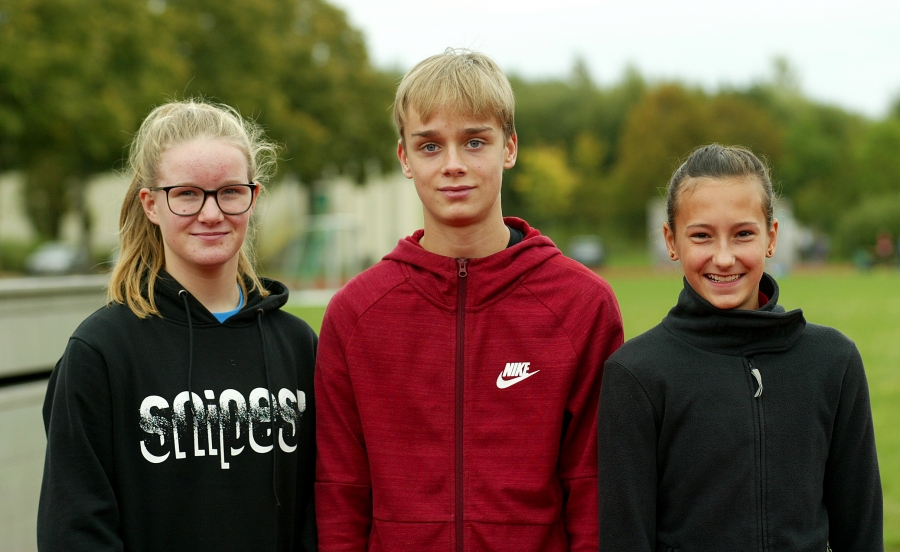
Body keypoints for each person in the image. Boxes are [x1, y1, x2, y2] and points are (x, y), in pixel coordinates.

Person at [314, 48, 623, 551]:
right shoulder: (356, 313)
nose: (453, 165)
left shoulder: (581, 305)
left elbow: (592, 490)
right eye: (430, 146)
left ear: (510, 147)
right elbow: (341, 495)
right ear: (404, 159)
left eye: (475, 141)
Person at [38, 100, 317, 551]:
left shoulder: (298, 346)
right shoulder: (101, 352)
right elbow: (75, 528)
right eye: (186, 194)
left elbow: (320, 514)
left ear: (253, 197)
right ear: (151, 204)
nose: (211, 214)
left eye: (229, 192)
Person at [597, 144, 883, 551]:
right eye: (701, 236)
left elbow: (863, 532)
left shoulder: (834, 362)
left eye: (743, 234)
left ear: (772, 237)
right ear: (671, 241)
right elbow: (625, 538)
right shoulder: (636, 374)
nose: (725, 257)